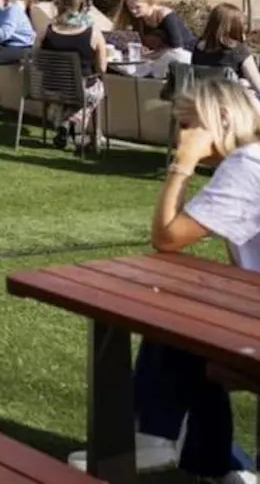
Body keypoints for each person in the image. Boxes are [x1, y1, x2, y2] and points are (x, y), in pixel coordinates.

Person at [64, 80, 260, 481]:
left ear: (221, 119)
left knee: (184, 333)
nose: (180, 136)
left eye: (188, 125)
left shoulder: (247, 165)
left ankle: (155, 438)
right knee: (186, 333)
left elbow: (167, 237)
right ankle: (207, 460)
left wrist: (182, 166)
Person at [38, 0, 108, 151]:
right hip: (80, 89)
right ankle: (80, 128)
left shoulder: (46, 31)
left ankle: (64, 124)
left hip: (51, 88)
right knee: (97, 88)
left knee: (73, 94)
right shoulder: (93, 34)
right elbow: (102, 68)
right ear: (83, 9)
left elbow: (36, 58)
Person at [118, 0, 196, 79]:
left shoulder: (166, 16)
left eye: (138, 7)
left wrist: (149, 55)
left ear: (149, 3)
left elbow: (176, 47)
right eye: (130, 8)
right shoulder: (138, 19)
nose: (133, 11)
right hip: (157, 55)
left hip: (184, 54)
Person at [193, 3, 260, 91]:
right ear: (232, 27)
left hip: (206, 98)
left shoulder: (198, 47)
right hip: (233, 100)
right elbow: (258, 85)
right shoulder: (238, 52)